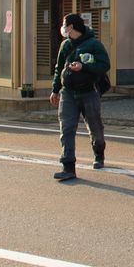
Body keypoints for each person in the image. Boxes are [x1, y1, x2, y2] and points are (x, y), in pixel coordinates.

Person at [48, 13, 110, 182]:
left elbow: (105, 64)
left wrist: (84, 66)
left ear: (72, 27)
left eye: (65, 25)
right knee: (66, 128)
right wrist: (55, 90)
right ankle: (68, 167)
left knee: (95, 127)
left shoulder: (94, 44)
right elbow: (58, 68)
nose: (63, 28)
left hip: (88, 92)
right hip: (68, 92)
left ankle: (99, 152)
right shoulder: (65, 45)